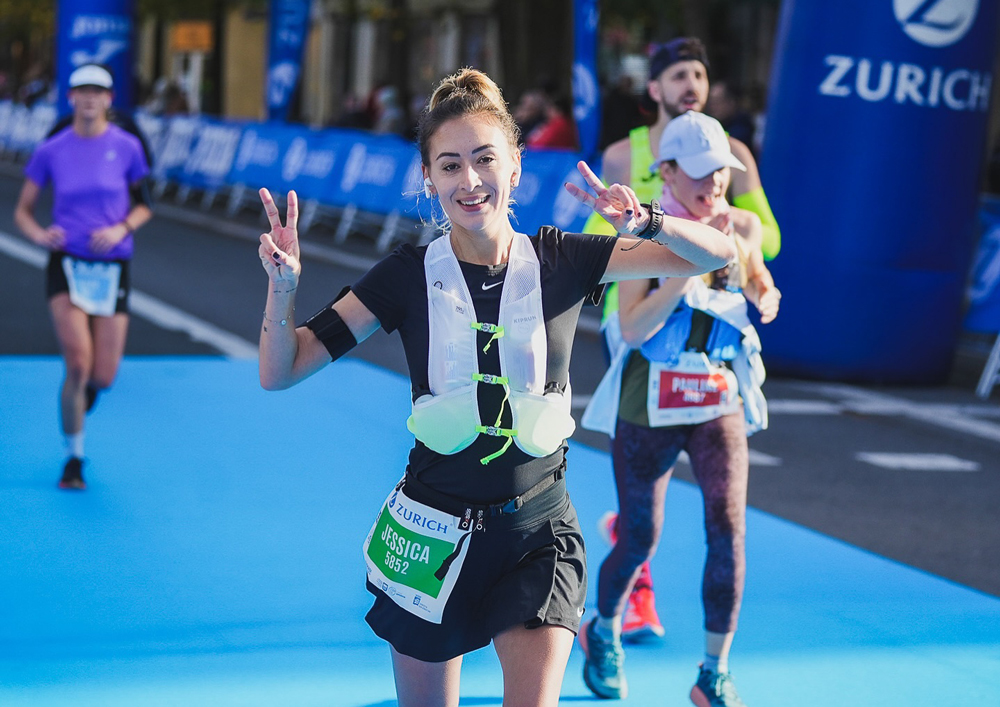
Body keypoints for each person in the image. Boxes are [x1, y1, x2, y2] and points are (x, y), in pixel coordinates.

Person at [254, 68, 735, 707]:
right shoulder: (404, 276)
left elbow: (714, 255)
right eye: (449, 165)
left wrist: (644, 220)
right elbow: (281, 370)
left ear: (515, 167)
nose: (469, 180)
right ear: (428, 178)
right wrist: (283, 287)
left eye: (484, 160)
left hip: (539, 532)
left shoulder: (566, 259)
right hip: (432, 531)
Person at [583, 36, 782, 642]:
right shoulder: (625, 155)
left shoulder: (732, 165)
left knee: (728, 525)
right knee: (643, 528)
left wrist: (755, 280)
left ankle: (714, 669)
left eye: (700, 72)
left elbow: (762, 243)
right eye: (678, 74)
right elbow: (599, 252)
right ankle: (616, 609)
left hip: (715, 380)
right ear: (655, 87)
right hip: (646, 358)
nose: (690, 84)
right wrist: (635, 231)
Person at [13, 64, 153, 490]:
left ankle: (83, 395)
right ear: (71, 97)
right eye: (82, 91)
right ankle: (73, 460)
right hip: (67, 263)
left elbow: (145, 205)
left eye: (99, 91)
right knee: (77, 362)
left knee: (103, 375)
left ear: (109, 100)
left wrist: (120, 228)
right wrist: (39, 233)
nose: (90, 98)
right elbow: (23, 209)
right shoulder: (52, 150)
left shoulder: (128, 147)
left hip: (112, 266)